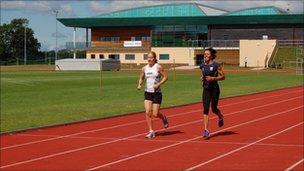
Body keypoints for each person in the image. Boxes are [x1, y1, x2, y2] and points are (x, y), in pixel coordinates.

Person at [137, 51, 169, 139]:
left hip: (157, 93)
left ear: (154, 58)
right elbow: (141, 77)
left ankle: (163, 118)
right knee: (148, 112)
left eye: (151, 58)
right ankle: (151, 131)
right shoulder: (144, 68)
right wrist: (139, 84)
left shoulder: (158, 67)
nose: (149, 59)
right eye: (148, 57)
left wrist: (158, 84)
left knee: (155, 114)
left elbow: (166, 77)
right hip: (147, 92)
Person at [200, 48, 225, 139]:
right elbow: (203, 75)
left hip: (214, 89)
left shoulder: (216, 65)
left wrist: (213, 78)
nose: (205, 55)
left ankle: (220, 116)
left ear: (211, 55)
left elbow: (223, 77)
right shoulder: (202, 65)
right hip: (206, 89)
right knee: (206, 109)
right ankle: (206, 130)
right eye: (204, 54)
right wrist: (202, 78)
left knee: (214, 109)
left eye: (207, 54)